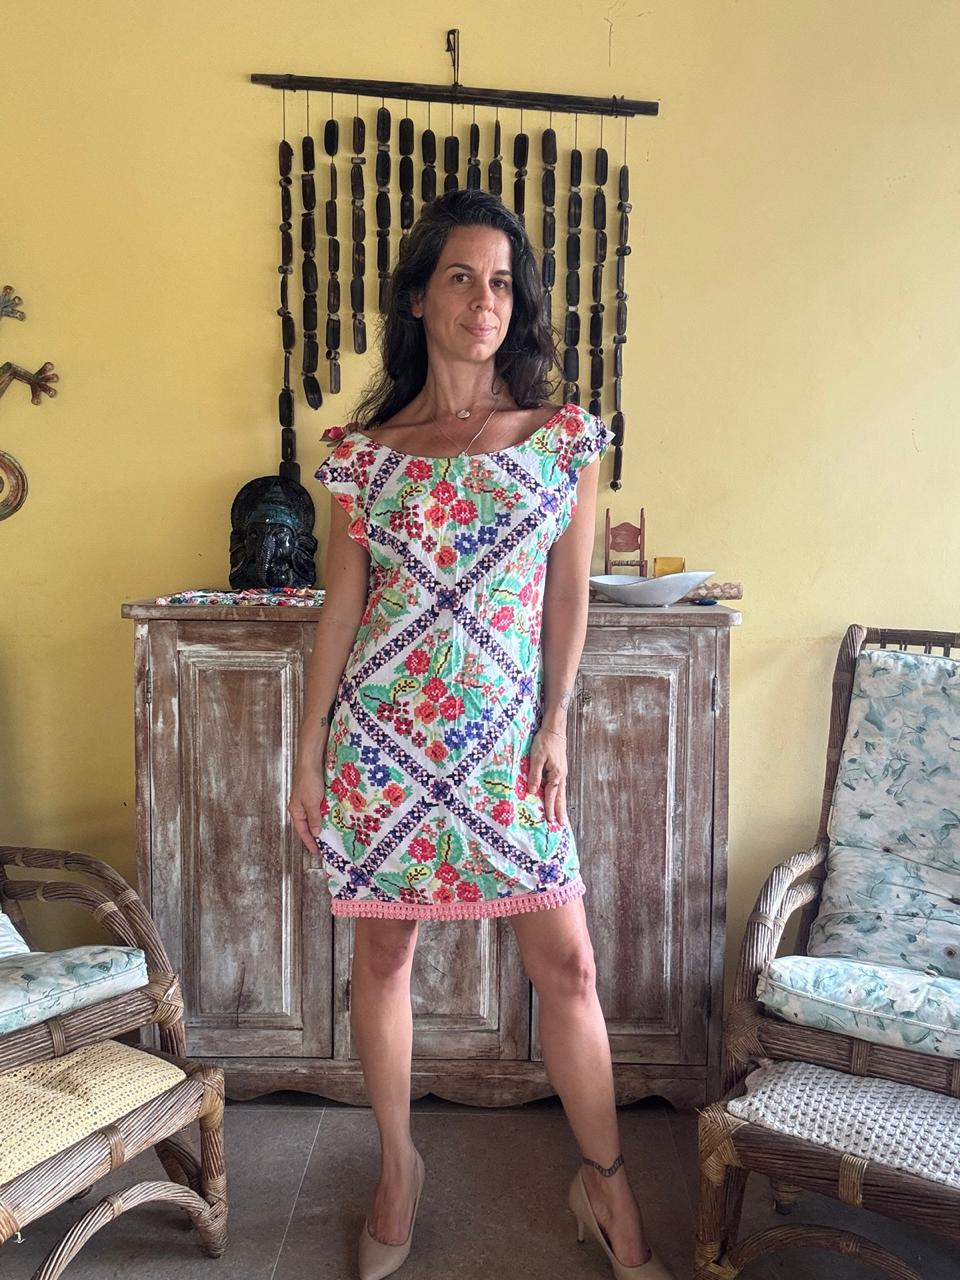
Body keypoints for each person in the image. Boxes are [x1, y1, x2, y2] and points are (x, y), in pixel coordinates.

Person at [287, 189, 674, 1280]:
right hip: (385, 745)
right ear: (419, 296)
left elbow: (569, 598)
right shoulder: (364, 456)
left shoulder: (562, 439)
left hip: (509, 746)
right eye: (461, 276)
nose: (483, 300)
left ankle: (605, 1182)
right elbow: (341, 608)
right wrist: (309, 752)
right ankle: (398, 1168)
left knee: (570, 964)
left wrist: (557, 719)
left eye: (502, 282)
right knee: (384, 954)